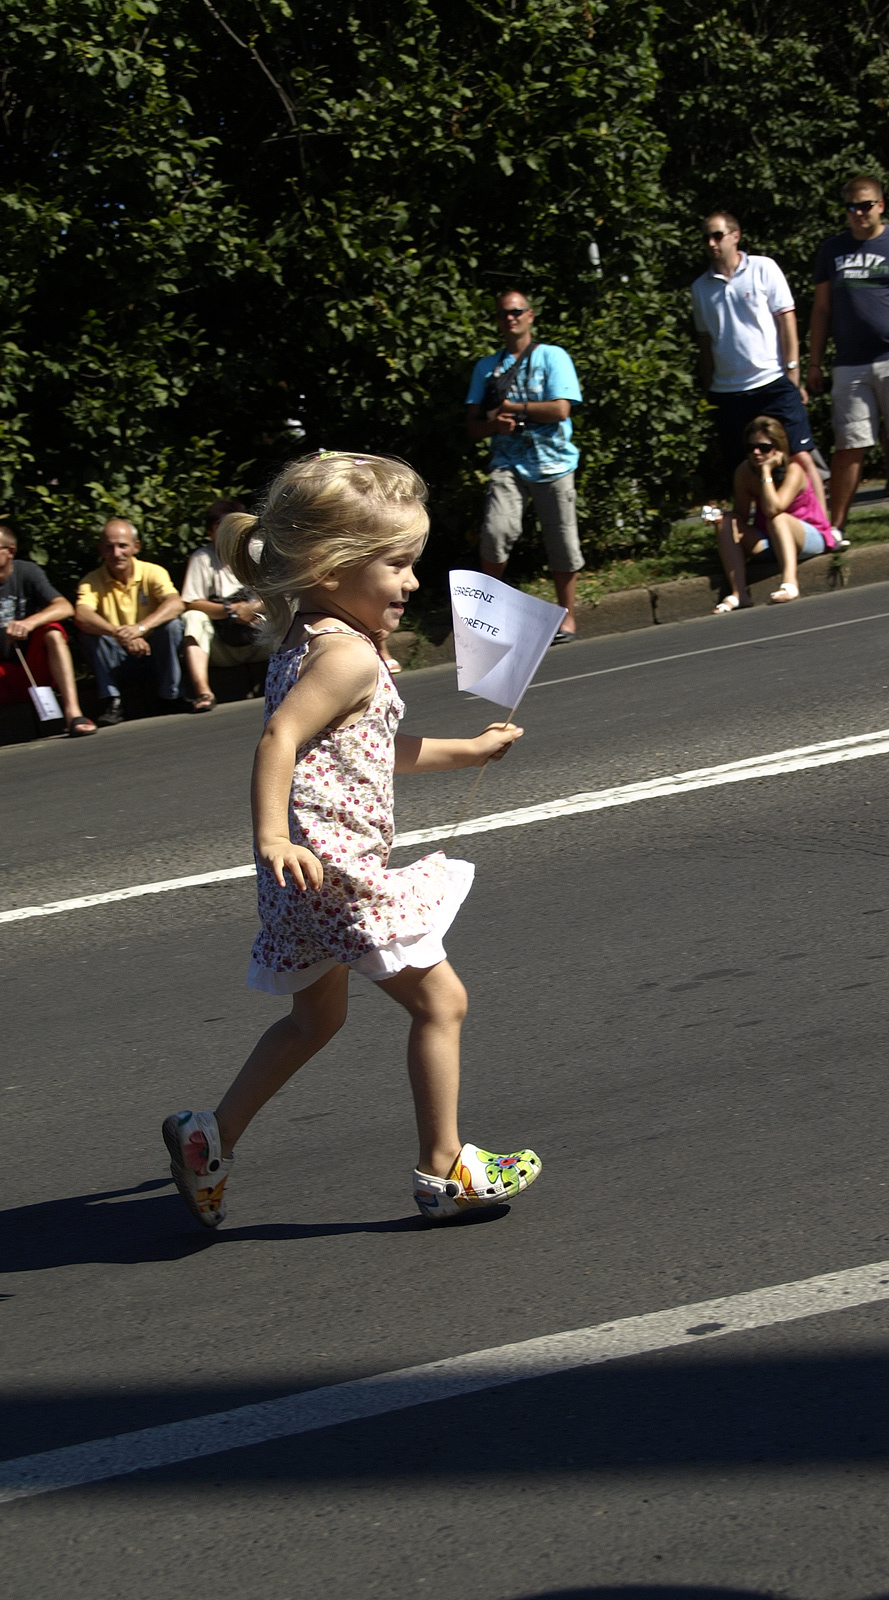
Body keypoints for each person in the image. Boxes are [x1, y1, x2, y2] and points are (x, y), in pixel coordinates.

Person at [162, 452, 540, 1229]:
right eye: (397, 565)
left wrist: (466, 750)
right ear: (332, 569)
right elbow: (280, 739)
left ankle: (212, 1138)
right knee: (442, 1000)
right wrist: (271, 832)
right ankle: (444, 1170)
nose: (411, 583)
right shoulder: (347, 655)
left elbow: (365, 748)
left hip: (302, 883)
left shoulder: (315, 635)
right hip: (335, 876)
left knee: (315, 1021)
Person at [808, 175, 889, 542]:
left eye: (866, 205)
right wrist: (814, 361)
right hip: (850, 362)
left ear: (881, 205)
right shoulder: (832, 249)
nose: (858, 214)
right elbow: (821, 309)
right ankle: (836, 526)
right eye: (851, 207)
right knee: (849, 444)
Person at [466, 289, 583, 643]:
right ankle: (491, 615)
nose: (510, 318)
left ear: (530, 315)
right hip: (508, 463)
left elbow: (561, 409)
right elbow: (472, 425)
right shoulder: (487, 367)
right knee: (496, 532)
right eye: (504, 313)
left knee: (562, 539)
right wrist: (494, 426)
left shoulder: (552, 356)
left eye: (517, 311)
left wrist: (514, 408)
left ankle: (567, 617)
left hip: (554, 463)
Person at [691, 211, 827, 516]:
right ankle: (751, 534)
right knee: (743, 466)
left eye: (718, 235)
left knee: (801, 455)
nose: (711, 243)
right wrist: (708, 388)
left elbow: (786, 320)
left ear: (735, 236)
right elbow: (705, 343)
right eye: (706, 238)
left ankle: (826, 526)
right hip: (728, 391)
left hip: (772, 380)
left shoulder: (763, 268)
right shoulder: (700, 288)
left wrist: (793, 371)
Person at [713, 416, 835, 612]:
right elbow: (741, 515)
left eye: (764, 447)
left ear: (778, 447)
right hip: (771, 539)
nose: (756, 452)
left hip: (809, 537)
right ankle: (739, 593)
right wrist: (721, 520)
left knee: (778, 518)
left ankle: (790, 582)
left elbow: (773, 509)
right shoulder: (744, 472)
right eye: (751, 446)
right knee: (727, 522)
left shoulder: (794, 470)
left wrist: (766, 472)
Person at [74, 519, 185, 724]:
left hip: (154, 650)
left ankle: (171, 695)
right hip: (117, 654)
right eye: (109, 547)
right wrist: (120, 633)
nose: (116, 553)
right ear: (101, 549)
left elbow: (175, 603)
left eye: (122, 546)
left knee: (173, 626)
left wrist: (140, 628)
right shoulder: (91, 581)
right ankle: (112, 701)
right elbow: (82, 615)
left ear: (136, 546)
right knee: (89, 635)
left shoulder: (153, 571)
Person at [0, 523, 96, 735]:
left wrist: (29, 623)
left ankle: (73, 713)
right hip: (2, 673)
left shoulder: (26, 571)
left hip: (32, 668)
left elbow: (65, 607)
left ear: (10, 552)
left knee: (53, 631)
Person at [180, 497, 272, 711]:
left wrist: (252, 608)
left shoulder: (258, 550)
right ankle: (203, 691)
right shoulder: (203, 557)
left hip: (263, 635)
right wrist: (229, 611)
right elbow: (190, 602)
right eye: (219, 527)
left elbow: (282, 591)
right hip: (223, 640)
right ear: (210, 532)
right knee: (193, 618)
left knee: (295, 605)